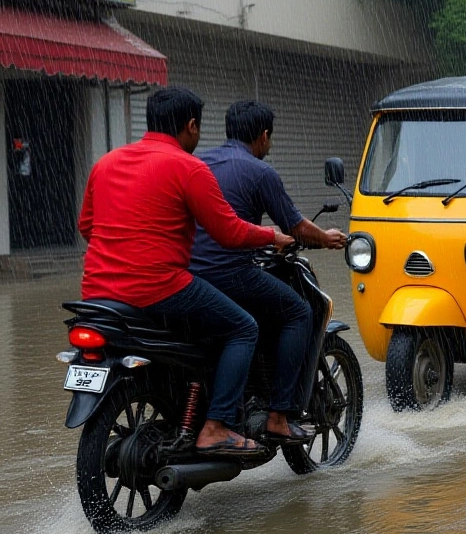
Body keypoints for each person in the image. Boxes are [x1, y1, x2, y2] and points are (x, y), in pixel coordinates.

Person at [79, 87, 294, 456]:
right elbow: (229, 232)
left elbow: (87, 227)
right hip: (160, 287)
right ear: (191, 126)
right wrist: (271, 235)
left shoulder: (106, 163)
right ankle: (216, 426)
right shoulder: (188, 167)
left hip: (97, 294)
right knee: (243, 327)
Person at [189, 100, 346, 443]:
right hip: (229, 273)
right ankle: (279, 415)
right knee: (298, 311)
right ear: (263, 136)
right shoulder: (261, 173)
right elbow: (298, 227)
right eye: (270, 139)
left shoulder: (198, 164)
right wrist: (328, 238)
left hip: (187, 276)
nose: (270, 146)